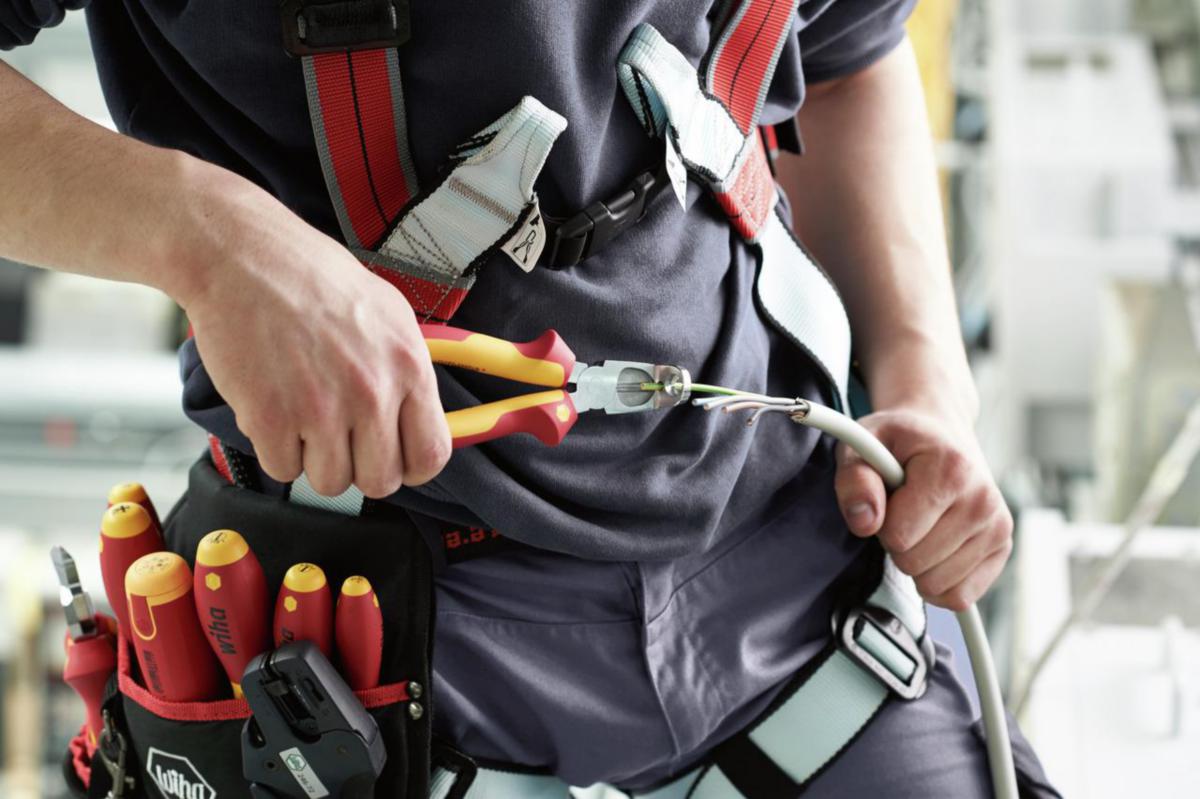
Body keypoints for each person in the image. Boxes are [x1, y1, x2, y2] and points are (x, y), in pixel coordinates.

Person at [1, 1, 1059, 795]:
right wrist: (207, 239)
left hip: (804, 576)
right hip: (384, 639)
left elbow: (844, 54)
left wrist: (925, 382)